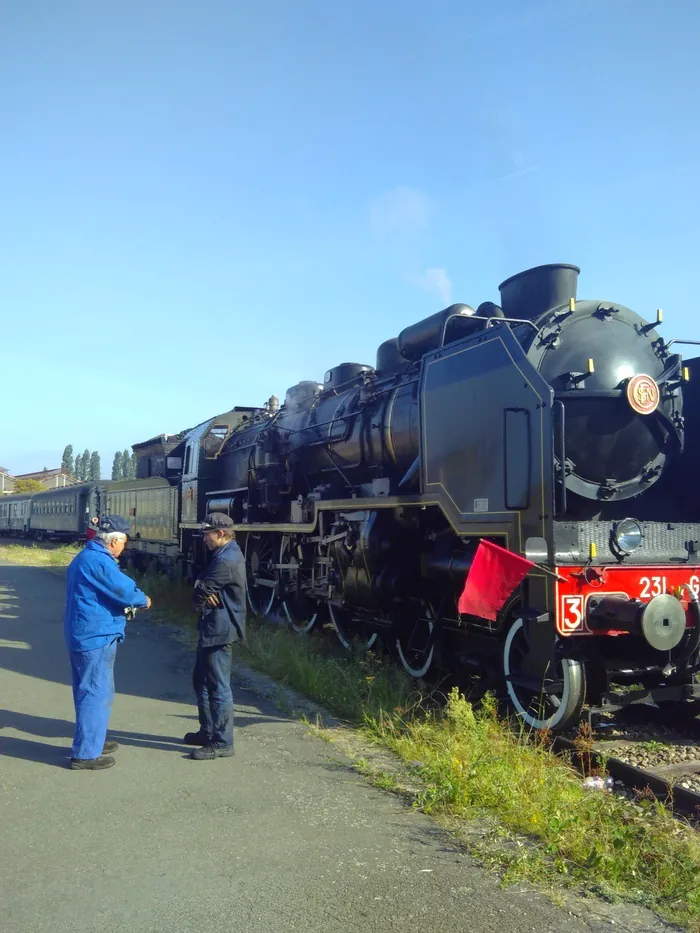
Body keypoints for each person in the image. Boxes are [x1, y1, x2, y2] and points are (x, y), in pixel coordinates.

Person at [64, 515, 151, 771]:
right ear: (114, 541)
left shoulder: (86, 557)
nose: (125, 547)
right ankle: (86, 754)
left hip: (84, 632)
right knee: (95, 692)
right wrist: (143, 599)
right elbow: (124, 590)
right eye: (124, 541)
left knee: (89, 690)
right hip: (95, 636)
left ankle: (93, 741)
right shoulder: (100, 562)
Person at [185, 512, 246, 761]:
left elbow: (199, 594)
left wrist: (200, 588)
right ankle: (208, 731)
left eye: (207, 534)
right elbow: (202, 583)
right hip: (213, 626)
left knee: (218, 686)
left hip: (221, 629)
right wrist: (202, 585)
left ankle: (222, 742)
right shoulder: (223, 554)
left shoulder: (226, 560)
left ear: (221, 533)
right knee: (201, 681)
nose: (204, 540)